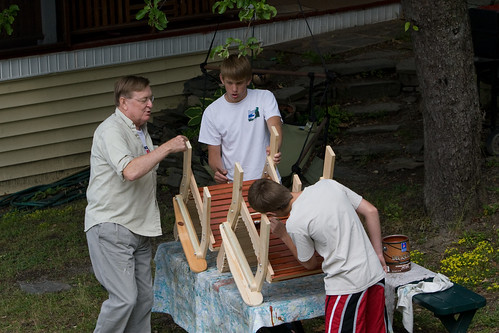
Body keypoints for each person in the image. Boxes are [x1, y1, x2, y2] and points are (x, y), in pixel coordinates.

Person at [84, 75, 188, 333]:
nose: (150, 104)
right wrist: (166, 148)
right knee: (124, 299)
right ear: (123, 102)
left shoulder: (139, 131)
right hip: (112, 226)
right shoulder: (111, 130)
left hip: (138, 227)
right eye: (143, 100)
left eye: (151, 99)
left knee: (143, 299)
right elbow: (130, 171)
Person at [248, 178, 388, 333]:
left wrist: (284, 235)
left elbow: (309, 263)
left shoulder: (295, 222)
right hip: (375, 274)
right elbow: (371, 211)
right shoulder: (328, 184)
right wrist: (378, 254)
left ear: (271, 213)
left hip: (347, 286)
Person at [198, 54, 283, 184]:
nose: (234, 89)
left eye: (239, 83)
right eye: (229, 83)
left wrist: (274, 147)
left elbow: (275, 127)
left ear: (248, 79)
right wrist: (219, 172)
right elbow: (214, 155)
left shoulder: (265, 97)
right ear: (222, 79)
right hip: (234, 183)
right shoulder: (212, 112)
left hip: (268, 179)